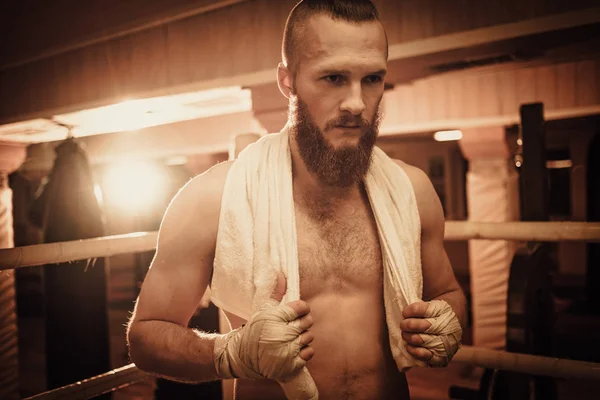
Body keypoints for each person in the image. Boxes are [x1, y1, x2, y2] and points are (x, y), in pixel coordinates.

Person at [127, 1, 467, 399]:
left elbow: (448, 294)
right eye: (334, 77)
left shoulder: (412, 192)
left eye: (372, 78)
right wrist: (231, 354)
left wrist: (447, 323)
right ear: (287, 81)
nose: (356, 103)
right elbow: (146, 337)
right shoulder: (213, 198)